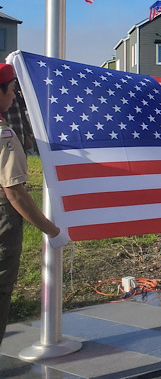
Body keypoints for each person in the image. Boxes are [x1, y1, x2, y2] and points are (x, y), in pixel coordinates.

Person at [0, 64, 68, 347]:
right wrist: (53, 231)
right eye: (13, 90)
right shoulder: (5, 137)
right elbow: (15, 193)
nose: (15, 97)